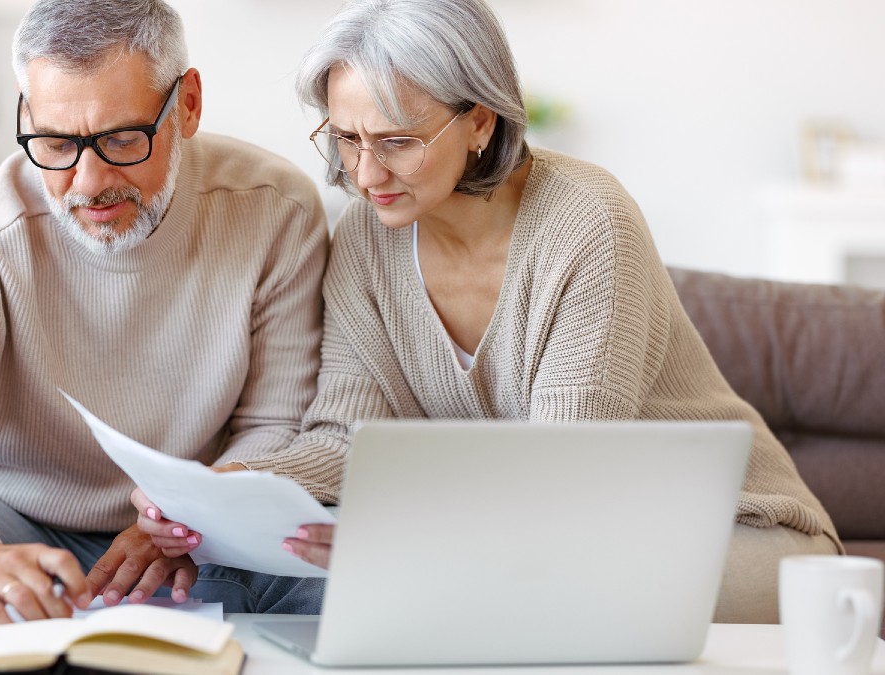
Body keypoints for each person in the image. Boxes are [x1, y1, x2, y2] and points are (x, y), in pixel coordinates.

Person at [135, 0, 841, 625]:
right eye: (346, 139)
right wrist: (226, 492)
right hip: (553, 548)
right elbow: (349, 437)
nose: (366, 173)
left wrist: (407, 539)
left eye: (397, 141)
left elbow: (565, 478)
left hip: (727, 534)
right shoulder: (365, 237)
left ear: (480, 119)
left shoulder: (588, 223)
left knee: (500, 590)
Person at [0, 0, 329, 671]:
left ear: (186, 104)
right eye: (57, 144)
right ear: (25, 114)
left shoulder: (275, 209)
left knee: (339, 563)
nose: (89, 181)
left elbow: (277, 422)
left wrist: (194, 516)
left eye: (123, 139)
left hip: (195, 536)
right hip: (13, 524)